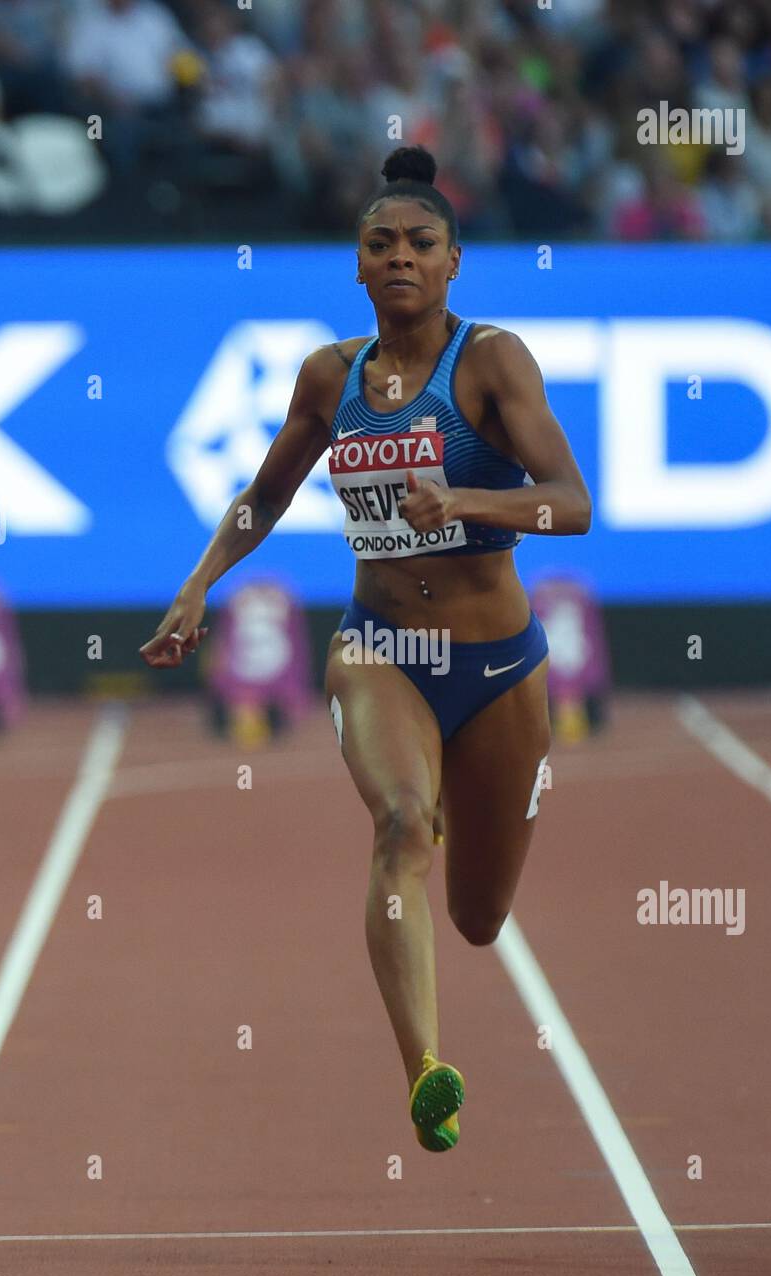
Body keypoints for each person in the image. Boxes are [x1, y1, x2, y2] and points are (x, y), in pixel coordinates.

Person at [140, 145, 591, 1153]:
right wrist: (197, 582)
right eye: (379, 244)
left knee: (478, 917)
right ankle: (426, 1070)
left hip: (498, 666)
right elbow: (264, 496)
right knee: (397, 825)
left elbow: (574, 502)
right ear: (355, 264)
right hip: (379, 649)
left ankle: (457, 835)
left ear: (452, 262)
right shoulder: (325, 376)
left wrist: (466, 497)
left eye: (419, 244)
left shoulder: (491, 362)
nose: (399, 259)